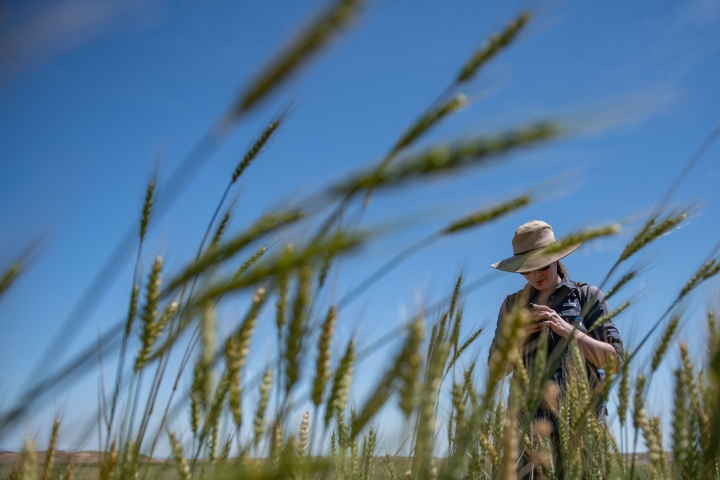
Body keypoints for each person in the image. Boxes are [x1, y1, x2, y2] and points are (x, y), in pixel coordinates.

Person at [487, 220, 624, 478]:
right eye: (527, 271)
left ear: (556, 260)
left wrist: (568, 331)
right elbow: (496, 370)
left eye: (542, 267)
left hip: (582, 431)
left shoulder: (587, 297)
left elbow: (614, 362)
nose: (536, 276)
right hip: (527, 433)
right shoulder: (511, 305)